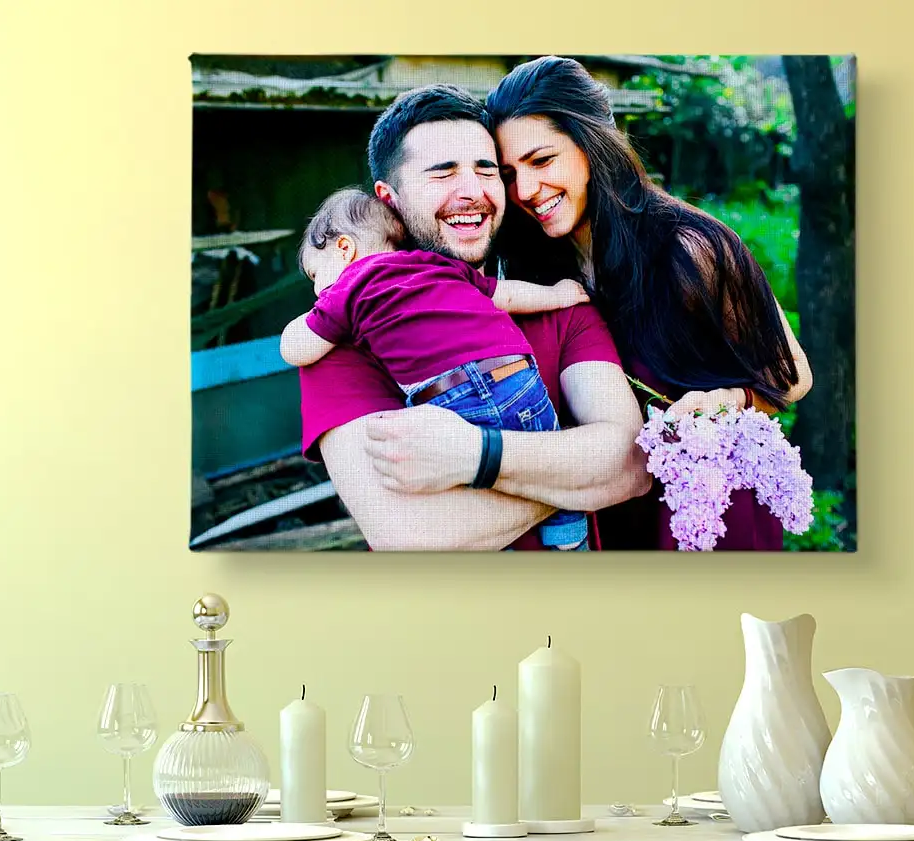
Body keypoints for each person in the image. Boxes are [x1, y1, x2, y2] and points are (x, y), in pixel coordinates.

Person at [294, 84, 651, 551]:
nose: (472, 192)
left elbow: (631, 465)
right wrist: (576, 466)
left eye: (486, 170)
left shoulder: (558, 305)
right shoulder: (345, 338)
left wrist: (475, 457)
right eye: (442, 174)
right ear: (390, 198)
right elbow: (410, 539)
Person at [483, 55, 815, 550]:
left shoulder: (686, 249)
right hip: (607, 522)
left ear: (592, 145)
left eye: (542, 161)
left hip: (709, 519)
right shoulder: (536, 271)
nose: (525, 191)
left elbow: (791, 375)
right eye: (509, 174)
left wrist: (728, 399)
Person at [281, 186, 593, 550]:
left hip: (454, 396)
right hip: (519, 377)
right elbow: (504, 295)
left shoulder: (349, 288)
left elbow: (297, 349)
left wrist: (309, 318)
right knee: (545, 450)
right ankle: (572, 537)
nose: (318, 290)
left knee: (469, 475)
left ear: (344, 249)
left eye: (316, 275)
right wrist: (560, 294)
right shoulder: (437, 265)